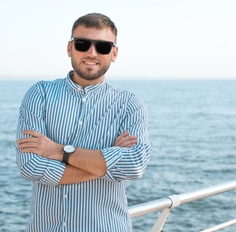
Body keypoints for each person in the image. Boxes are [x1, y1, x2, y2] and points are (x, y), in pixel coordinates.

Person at [16, 13, 152, 231]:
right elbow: (30, 166)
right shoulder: (39, 94)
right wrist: (105, 159)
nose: (92, 53)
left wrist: (60, 151)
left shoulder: (129, 104)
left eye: (103, 47)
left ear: (114, 53)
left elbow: (134, 165)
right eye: (82, 44)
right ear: (70, 48)